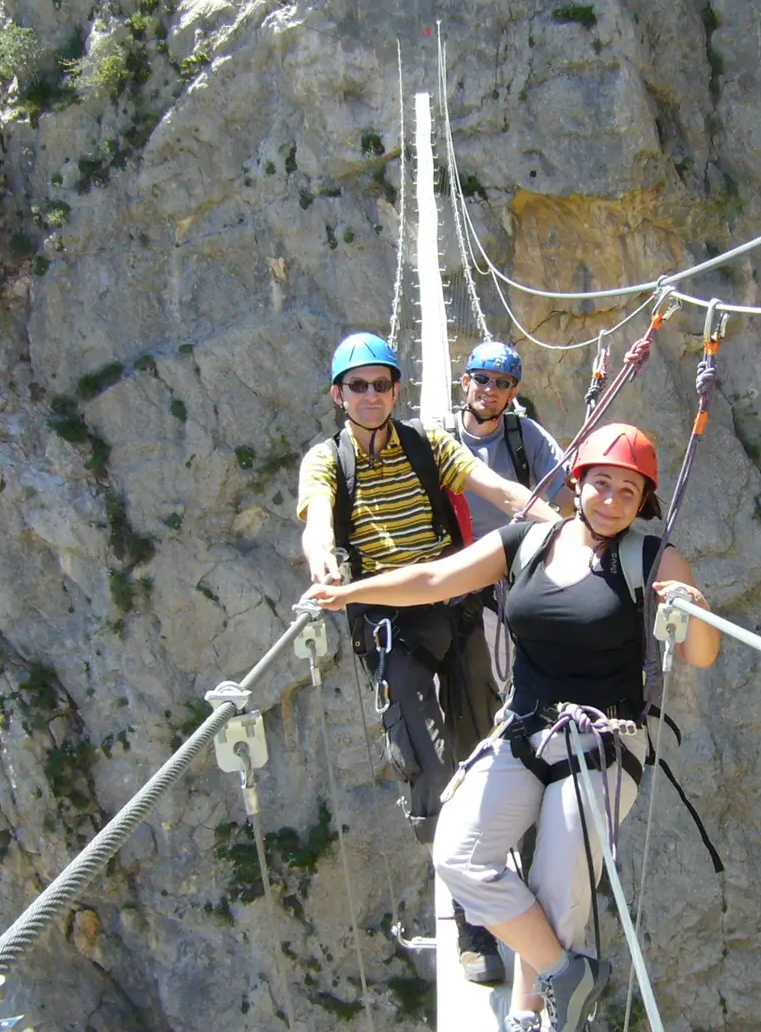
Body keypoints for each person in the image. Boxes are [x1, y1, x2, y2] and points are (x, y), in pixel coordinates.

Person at [302, 423, 721, 1032]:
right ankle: (566, 972)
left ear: (642, 504)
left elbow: (702, 655)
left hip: (604, 743)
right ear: (576, 484)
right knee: (458, 855)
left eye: (627, 493)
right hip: (525, 732)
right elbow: (435, 580)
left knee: (557, 887)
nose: (610, 500)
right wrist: (352, 593)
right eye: (600, 483)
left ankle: (531, 1016)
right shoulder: (526, 542)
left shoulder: (653, 557)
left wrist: (694, 607)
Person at [296, 331, 558, 985]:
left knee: (480, 747)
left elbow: (494, 487)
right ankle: (474, 916)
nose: (371, 395)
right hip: (390, 623)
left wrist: (558, 524)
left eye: (382, 384)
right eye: (358, 386)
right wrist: (322, 559)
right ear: (338, 395)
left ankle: (499, 858)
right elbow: (319, 517)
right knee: (427, 761)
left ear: (395, 391)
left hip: (456, 607)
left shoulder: (426, 445)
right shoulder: (325, 460)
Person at [451, 340, 573, 534]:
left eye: (502, 383)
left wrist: (551, 524)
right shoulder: (441, 435)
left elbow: (566, 493)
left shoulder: (526, 434)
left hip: (512, 551)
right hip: (456, 552)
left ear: (512, 393)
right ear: (466, 382)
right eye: (481, 379)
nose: (490, 389)